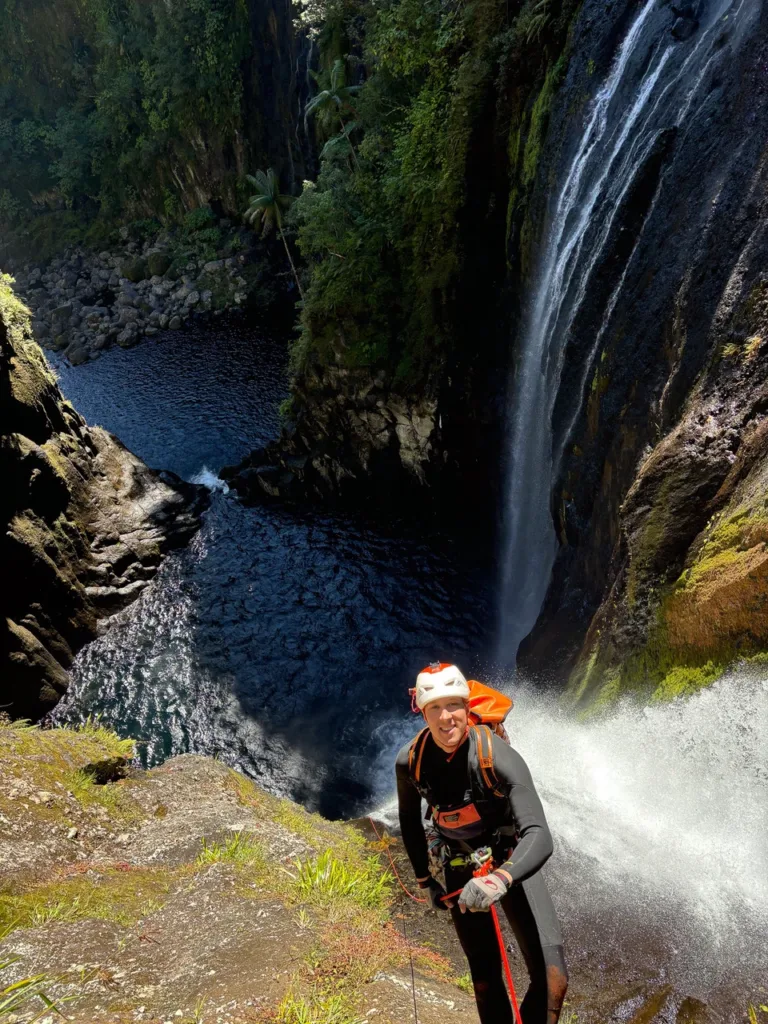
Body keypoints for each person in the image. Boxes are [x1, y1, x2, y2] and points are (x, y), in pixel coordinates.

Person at [395, 662, 568, 1024]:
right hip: (458, 863)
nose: (446, 718)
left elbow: (539, 834)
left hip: (510, 858)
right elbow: (409, 819)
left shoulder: (496, 755)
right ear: (423, 714)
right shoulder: (411, 761)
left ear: (467, 705)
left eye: (453, 705)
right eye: (435, 708)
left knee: (552, 979)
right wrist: (425, 880)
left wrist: (500, 878)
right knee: (485, 980)